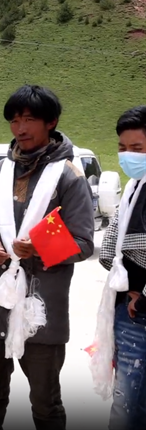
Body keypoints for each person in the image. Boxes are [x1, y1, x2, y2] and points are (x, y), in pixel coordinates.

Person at [0, 85, 95, 430]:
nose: (20, 128)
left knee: (44, 402)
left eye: (28, 120)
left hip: (40, 309)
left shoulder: (69, 177)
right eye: (14, 121)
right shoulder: (0, 171)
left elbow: (84, 243)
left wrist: (39, 248)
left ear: (51, 122)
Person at [96, 105, 146, 430]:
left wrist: (142, 296)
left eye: (137, 148)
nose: (128, 155)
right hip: (127, 304)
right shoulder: (133, 185)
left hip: (138, 312)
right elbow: (112, 245)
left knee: (128, 403)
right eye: (122, 147)